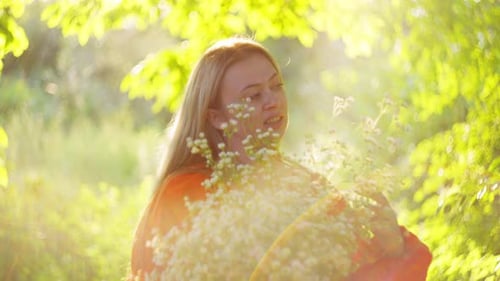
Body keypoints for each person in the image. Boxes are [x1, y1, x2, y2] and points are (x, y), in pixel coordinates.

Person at [129, 37, 432, 280]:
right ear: (217, 117)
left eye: (276, 87)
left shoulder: (309, 186)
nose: (272, 101)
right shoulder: (186, 193)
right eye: (253, 96)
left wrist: (393, 246)